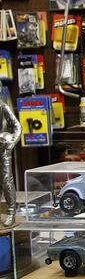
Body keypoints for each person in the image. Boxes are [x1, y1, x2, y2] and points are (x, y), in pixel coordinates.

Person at [0, 87, 21, 227]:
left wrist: (11, 142)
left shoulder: (3, 106)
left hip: (3, 148)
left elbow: (17, 127)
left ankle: (11, 213)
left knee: (7, 180)